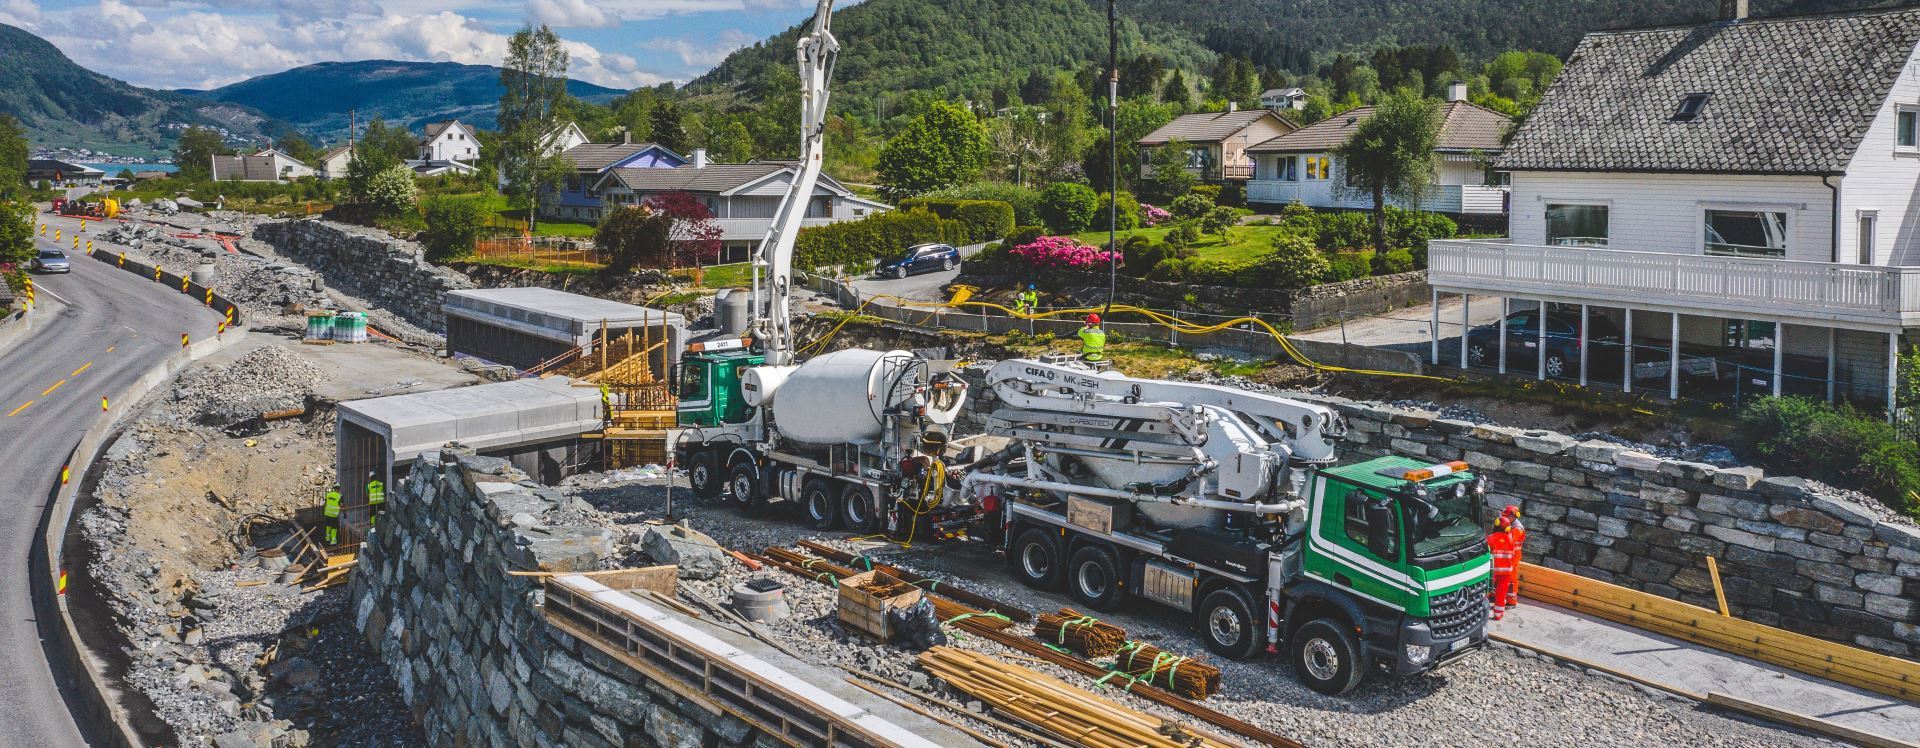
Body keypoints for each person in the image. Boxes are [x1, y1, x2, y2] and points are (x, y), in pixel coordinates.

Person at [1488, 512, 1518, 621]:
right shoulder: (1510, 539)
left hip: (1493, 571)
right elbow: (1513, 554)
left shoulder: (1491, 538)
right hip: (1507, 572)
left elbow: (1486, 554)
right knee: (1501, 594)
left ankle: (1483, 612)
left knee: (1485, 592)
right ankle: (1498, 615)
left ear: (1497, 524)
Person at [1500, 505, 1526, 608]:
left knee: (1511, 580)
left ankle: (1511, 601)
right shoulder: (1511, 525)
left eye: (1507, 516)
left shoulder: (1517, 529)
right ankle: (1495, 595)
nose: (1505, 518)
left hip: (1513, 558)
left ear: (1513, 516)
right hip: (1507, 556)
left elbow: (1508, 542)